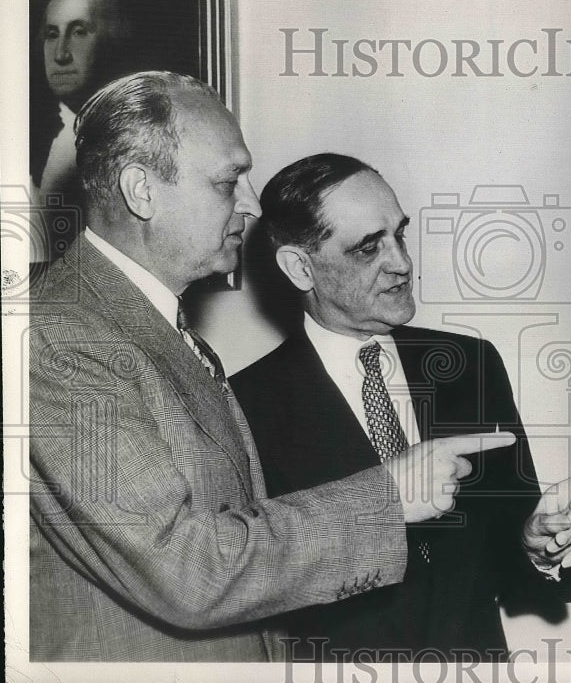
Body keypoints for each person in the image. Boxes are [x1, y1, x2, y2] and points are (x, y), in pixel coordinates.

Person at [28, 71, 514, 662]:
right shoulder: (59, 336)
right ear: (142, 191)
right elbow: (191, 570)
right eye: (227, 181)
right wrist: (390, 495)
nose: (251, 204)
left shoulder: (162, 331)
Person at [231, 153, 571, 662]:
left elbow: (506, 547)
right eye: (369, 248)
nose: (401, 263)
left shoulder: (468, 365)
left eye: (400, 234)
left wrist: (535, 544)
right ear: (299, 267)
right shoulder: (244, 404)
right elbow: (252, 578)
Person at [30, 0, 134, 261]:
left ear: (112, 42)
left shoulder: (137, 140)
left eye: (78, 32)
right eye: (52, 34)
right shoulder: (25, 141)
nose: (60, 54)